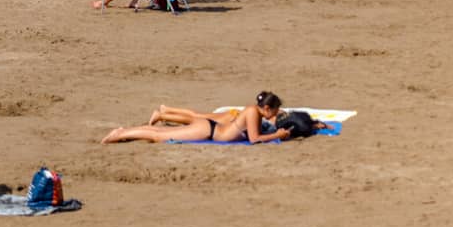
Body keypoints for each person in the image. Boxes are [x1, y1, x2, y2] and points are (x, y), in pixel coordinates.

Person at [100, 91, 317, 145]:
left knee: (161, 133)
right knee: (160, 136)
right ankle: (120, 134)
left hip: (211, 129)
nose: (275, 114)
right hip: (209, 131)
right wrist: (277, 135)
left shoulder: (254, 110)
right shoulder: (252, 112)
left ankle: (123, 132)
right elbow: (254, 139)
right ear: (266, 108)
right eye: (275, 110)